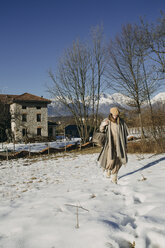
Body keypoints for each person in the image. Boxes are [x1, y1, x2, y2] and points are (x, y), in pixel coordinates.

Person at [98, 107, 128, 184]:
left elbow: (125, 132)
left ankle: (114, 175)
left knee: (119, 160)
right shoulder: (107, 120)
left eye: (117, 115)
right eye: (114, 114)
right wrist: (103, 125)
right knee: (111, 160)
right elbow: (101, 130)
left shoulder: (121, 121)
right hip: (110, 144)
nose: (115, 116)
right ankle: (108, 170)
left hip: (119, 144)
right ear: (111, 114)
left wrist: (125, 143)